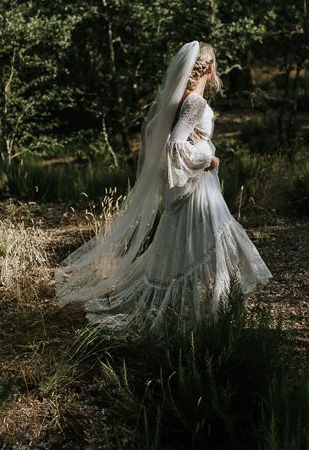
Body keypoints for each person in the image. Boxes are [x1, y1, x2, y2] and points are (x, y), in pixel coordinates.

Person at [55, 41, 271, 332]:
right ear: (208, 68)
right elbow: (174, 146)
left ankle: (210, 314)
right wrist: (209, 158)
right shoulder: (195, 102)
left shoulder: (182, 100)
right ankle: (209, 319)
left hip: (197, 188)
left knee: (200, 248)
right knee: (212, 245)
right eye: (214, 63)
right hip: (197, 190)